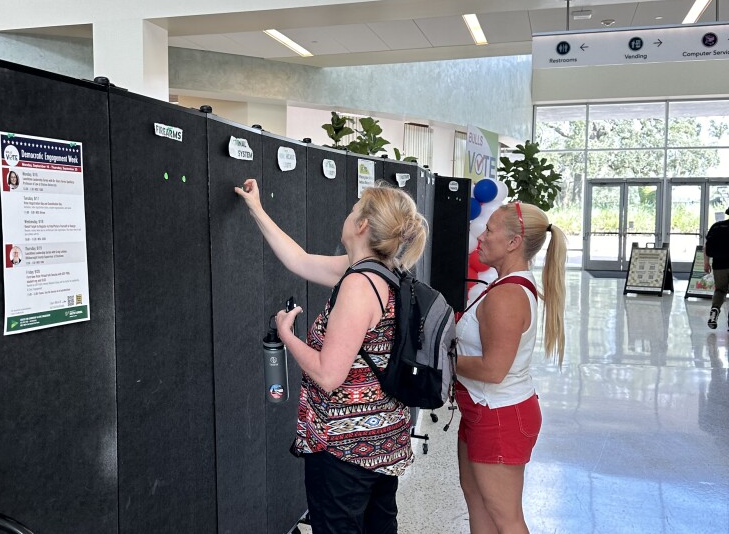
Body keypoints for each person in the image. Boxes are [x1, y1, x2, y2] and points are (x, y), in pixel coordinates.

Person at [235, 179, 428, 534]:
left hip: (344, 449)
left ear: (362, 225)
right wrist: (256, 208)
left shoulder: (358, 285)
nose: (348, 213)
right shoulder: (382, 271)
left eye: (354, 209)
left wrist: (285, 335)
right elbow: (299, 260)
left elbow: (328, 375)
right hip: (382, 441)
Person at [454, 201, 567, 534]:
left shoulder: (507, 296)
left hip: (499, 416)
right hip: (480, 409)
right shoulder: (502, 287)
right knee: (477, 502)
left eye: (489, 231)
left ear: (514, 242)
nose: (481, 238)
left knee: (506, 518)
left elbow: (493, 370)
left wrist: (438, 359)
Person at [703, 209, 729, 329]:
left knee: (720, 290)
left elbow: (707, 246)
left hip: (719, 266)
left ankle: (715, 309)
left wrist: (706, 262)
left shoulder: (716, 227)